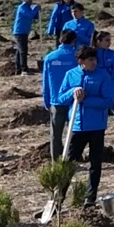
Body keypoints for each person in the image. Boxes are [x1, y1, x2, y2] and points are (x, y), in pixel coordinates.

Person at [57, 46, 114, 206]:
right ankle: (58, 200)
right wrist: (72, 93)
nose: (94, 62)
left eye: (95, 59)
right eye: (90, 60)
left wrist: (86, 100)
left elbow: (108, 100)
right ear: (81, 61)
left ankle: (90, 199)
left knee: (95, 163)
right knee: (68, 163)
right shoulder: (70, 75)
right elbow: (60, 98)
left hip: (96, 126)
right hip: (76, 127)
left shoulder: (102, 74)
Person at [42, 31, 81, 159]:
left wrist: (46, 100)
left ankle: (56, 160)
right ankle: (73, 157)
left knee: (55, 134)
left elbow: (45, 81)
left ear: (60, 40)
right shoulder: (76, 57)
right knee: (76, 132)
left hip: (56, 101)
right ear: (73, 41)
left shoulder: (50, 58)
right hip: (74, 100)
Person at [9, 0, 39, 76]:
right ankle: (24, 69)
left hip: (24, 31)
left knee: (19, 50)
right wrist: (36, 8)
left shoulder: (28, 7)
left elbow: (33, 16)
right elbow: (29, 15)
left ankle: (18, 69)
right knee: (23, 50)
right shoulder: (22, 7)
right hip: (20, 31)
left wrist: (37, 11)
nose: (30, 0)